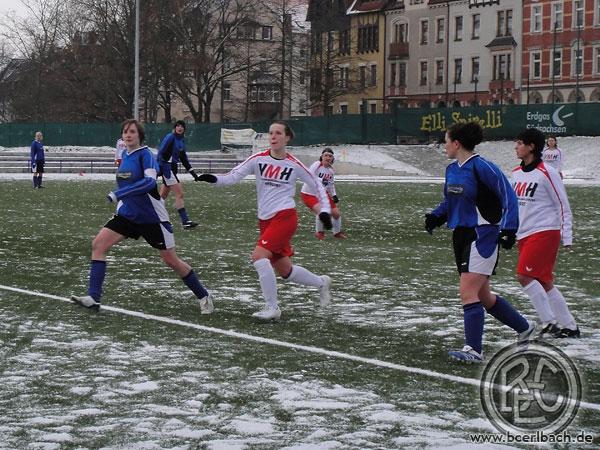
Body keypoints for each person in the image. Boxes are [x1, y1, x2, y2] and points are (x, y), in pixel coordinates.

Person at [71, 119, 214, 315]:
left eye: (132, 132)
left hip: (152, 218)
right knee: (98, 245)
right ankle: (94, 298)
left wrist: (119, 194)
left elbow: (148, 183)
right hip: (128, 215)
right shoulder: (124, 155)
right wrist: (122, 201)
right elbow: (126, 184)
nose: (128, 135)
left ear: (140, 136)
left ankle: (203, 295)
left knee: (171, 260)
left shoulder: (145, 155)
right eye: (125, 132)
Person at [197, 120, 333, 320]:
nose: (273, 137)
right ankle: (322, 282)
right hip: (266, 220)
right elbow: (233, 176)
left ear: (287, 138)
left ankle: (272, 308)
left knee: (259, 256)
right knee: (286, 271)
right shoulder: (258, 159)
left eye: (278, 133)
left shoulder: (294, 164)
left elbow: (317, 185)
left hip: (285, 216)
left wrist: (325, 211)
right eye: (271, 133)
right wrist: (213, 179)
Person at [425, 122, 535, 363]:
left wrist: (508, 229)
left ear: (457, 143)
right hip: (461, 236)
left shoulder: (483, 167)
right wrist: (436, 216)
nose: (444, 146)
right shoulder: (452, 169)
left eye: (446, 141)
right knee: (483, 297)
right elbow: (450, 201)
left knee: (467, 292)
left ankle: (473, 350)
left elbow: (509, 197)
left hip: (482, 235)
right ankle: (525, 329)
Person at [511, 128, 579, 338]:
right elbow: (514, 206)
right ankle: (570, 327)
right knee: (543, 281)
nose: (516, 146)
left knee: (524, 275)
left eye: (520, 143)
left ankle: (549, 323)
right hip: (525, 234)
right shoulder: (515, 173)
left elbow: (563, 206)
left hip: (545, 232)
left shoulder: (546, 173)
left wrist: (566, 235)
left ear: (531, 147)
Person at [157, 120, 202, 229]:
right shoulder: (170, 137)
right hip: (167, 169)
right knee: (179, 194)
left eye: (182, 126)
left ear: (184, 129)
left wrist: (193, 173)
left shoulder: (181, 140)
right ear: (175, 127)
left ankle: (154, 218)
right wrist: (161, 168)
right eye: (177, 125)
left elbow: (183, 159)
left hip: (172, 169)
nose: (179, 127)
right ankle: (185, 221)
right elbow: (161, 152)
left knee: (161, 197)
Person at [300, 148, 347, 240]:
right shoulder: (317, 165)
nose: (328, 157)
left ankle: (336, 233)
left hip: (322, 193)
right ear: (321, 157)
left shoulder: (331, 170)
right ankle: (319, 232)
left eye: (330, 156)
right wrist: (321, 180)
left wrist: (334, 195)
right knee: (322, 211)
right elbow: (308, 177)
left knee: (336, 214)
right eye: (326, 155)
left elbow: (330, 184)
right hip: (309, 193)